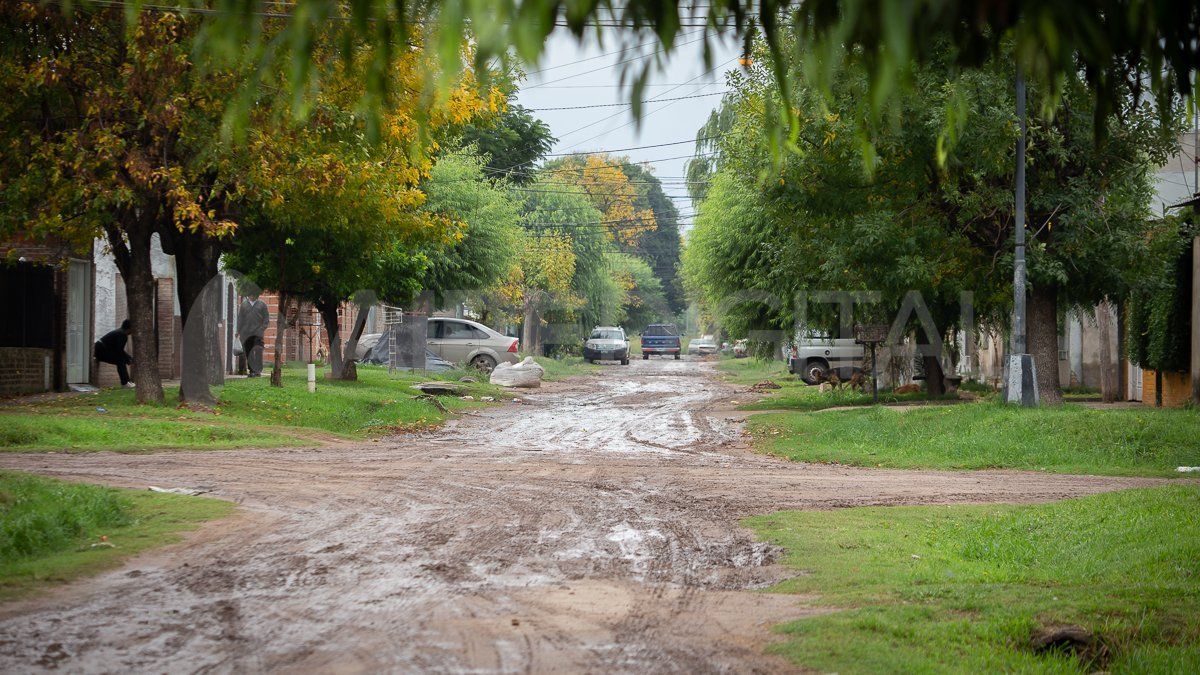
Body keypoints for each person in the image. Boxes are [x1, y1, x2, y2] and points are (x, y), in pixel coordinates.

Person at [95, 319, 134, 388]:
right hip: (101, 351)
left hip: (100, 350)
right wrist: (128, 358)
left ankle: (127, 382)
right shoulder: (122, 335)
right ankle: (125, 383)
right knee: (120, 361)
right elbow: (119, 351)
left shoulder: (120, 332)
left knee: (121, 360)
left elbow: (118, 350)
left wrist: (128, 358)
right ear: (129, 328)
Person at [237, 293, 270, 377]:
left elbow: (266, 318)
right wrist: (238, 331)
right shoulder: (244, 305)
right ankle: (252, 371)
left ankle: (258, 370)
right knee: (249, 352)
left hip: (258, 333)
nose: (252, 296)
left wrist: (262, 328)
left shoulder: (262, 305)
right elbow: (240, 318)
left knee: (258, 350)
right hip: (246, 333)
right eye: (251, 294)